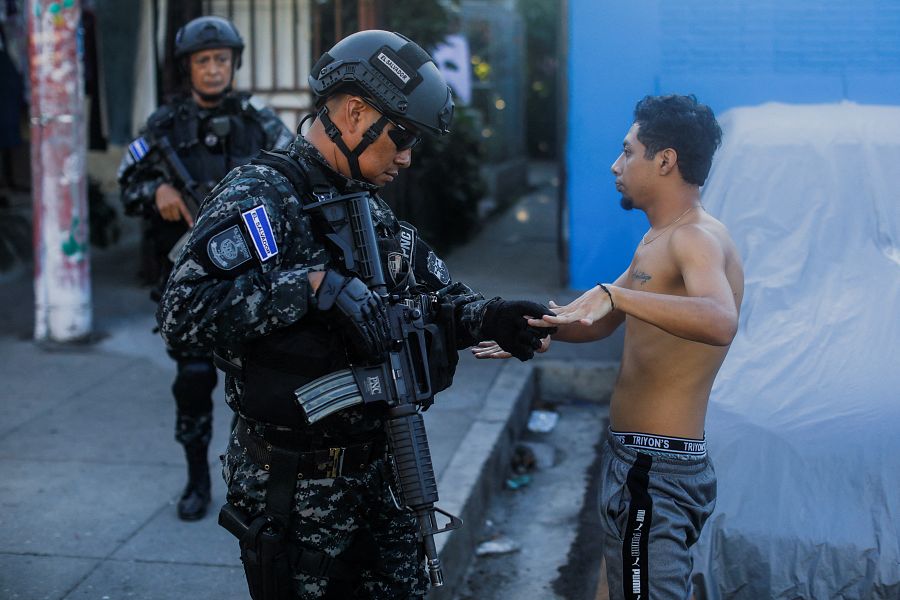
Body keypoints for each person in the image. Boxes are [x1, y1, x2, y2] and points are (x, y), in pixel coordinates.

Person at [156, 29, 551, 598]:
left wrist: (489, 318)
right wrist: (311, 285)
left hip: (384, 477)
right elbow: (183, 311)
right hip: (294, 489)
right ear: (356, 111)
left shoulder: (363, 204)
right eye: (403, 136)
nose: (409, 156)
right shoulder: (263, 197)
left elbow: (431, 290)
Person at [476, 94, 744, 600]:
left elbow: (720, 319)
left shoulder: (697, 239)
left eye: (628, 152)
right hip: (633, 460)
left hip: (658, 469)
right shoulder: (658, 239)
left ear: (664, 160)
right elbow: (600, 320)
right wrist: (534, 329)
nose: (615, 165)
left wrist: (613, 293)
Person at [117, 15, 293, 521]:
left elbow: (295, 177)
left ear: (234, 64)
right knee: (193, 379)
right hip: (189, 286)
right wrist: (157, 191)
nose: (213, 70)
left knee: (263, 385)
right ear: (187, 68)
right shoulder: (161, 128)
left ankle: (260, 484)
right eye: (203, 61)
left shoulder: (260, 122)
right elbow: (128, 184)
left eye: (221, 59)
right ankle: (197, 478)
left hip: (253, 283)